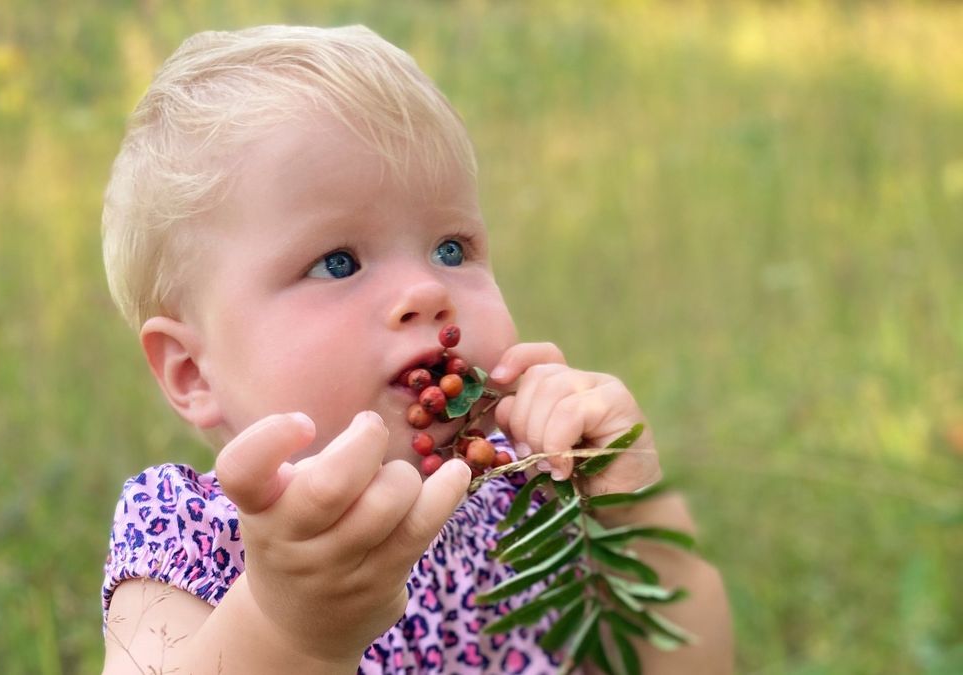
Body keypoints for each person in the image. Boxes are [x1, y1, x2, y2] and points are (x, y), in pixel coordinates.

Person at [98, 24, 733, 674]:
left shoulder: (535, 489)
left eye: (451, 248)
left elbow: (697, 662)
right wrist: (288, 627)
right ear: (192, 372)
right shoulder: (186, 538)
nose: (427, 290)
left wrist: (635, 514)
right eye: (338, 261)